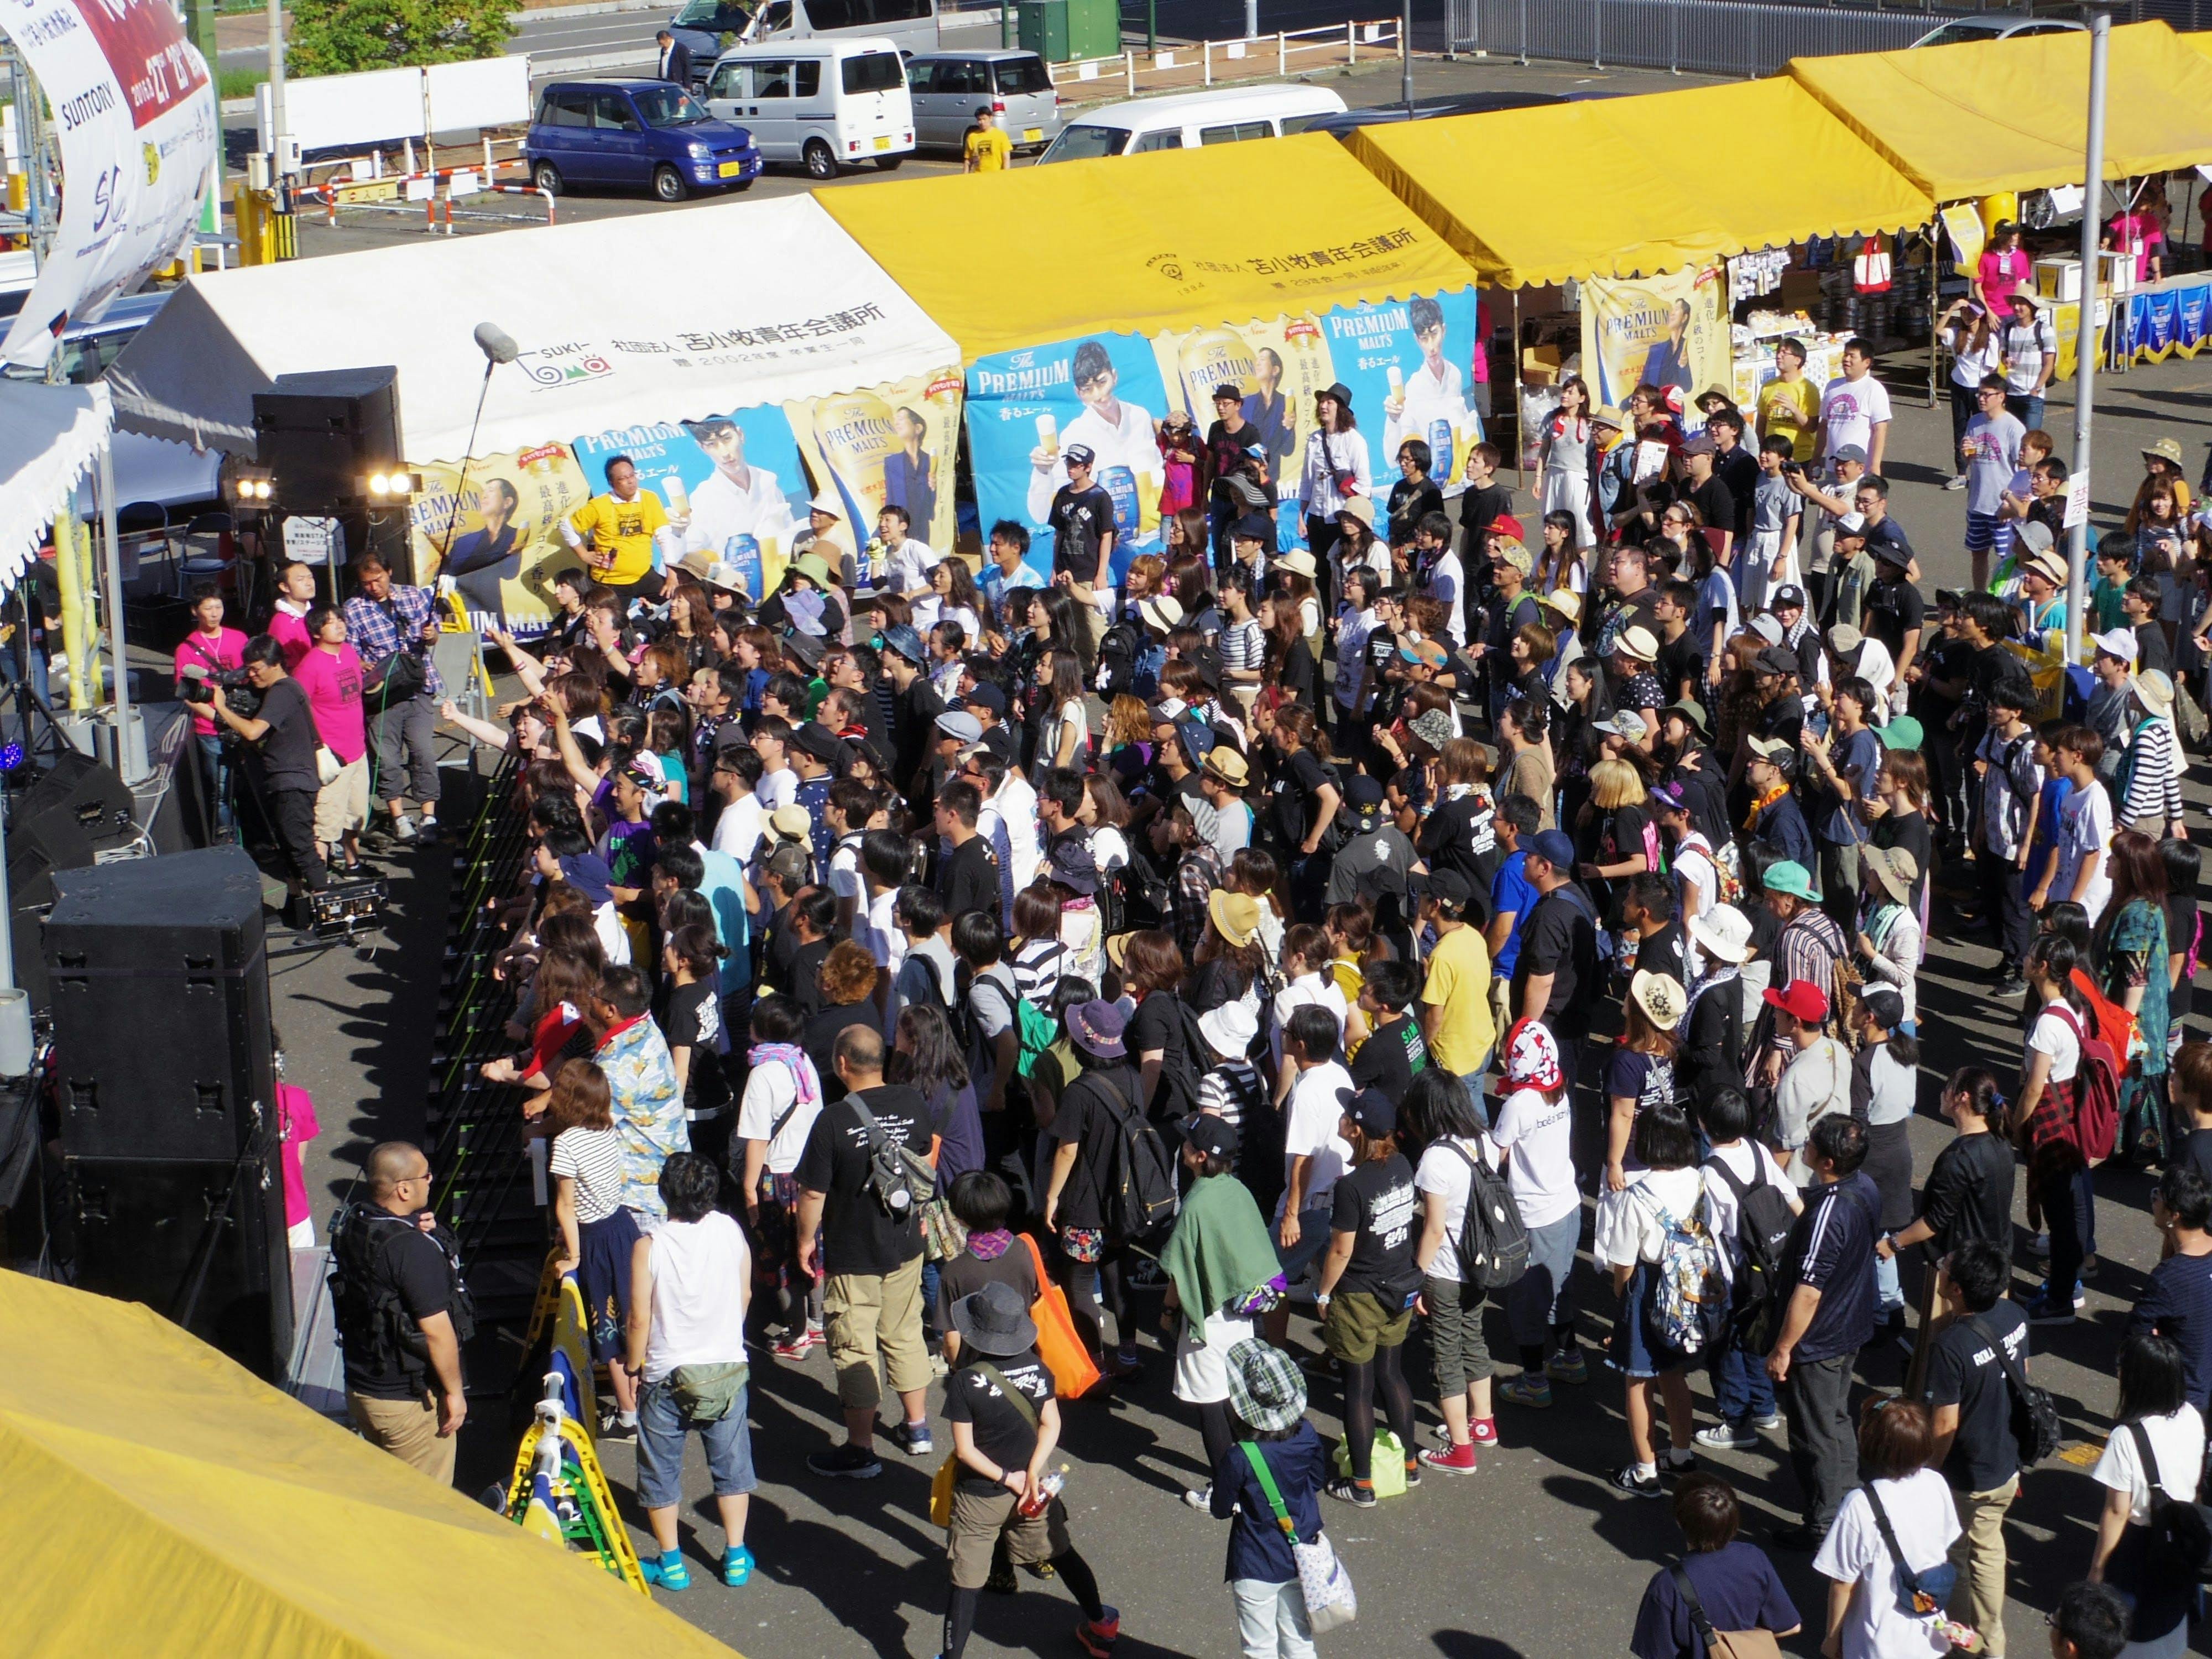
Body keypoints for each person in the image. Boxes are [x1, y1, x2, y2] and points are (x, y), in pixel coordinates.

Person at [939, 1280, 1123, 1659]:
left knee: (966, 1580)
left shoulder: (965, 1382)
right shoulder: (1039, 1368)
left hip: (981, 1494)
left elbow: (966, 1450)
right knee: (1060, 1551)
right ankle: (1100, 1624)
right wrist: (1033, 1473)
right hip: (1035, 1490)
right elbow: (1051, 1425)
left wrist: (1009, 1478)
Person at [795, 1022, 937, 1479]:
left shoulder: (833, 1120)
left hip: (853, 1251)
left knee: (854, 1344)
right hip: (906, 1242)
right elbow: (925, 1156)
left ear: (842, 1064)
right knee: (905, 1331)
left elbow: (813, 1193)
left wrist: (805, 1241)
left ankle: (861, 1449)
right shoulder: (912, 1102)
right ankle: (917, 1428)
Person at [624, 1151, 755, 1590]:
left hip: (667, 1373)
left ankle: (672, 1565)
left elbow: (639, 1318)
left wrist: (633, 1365)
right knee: (731, 1466)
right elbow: (745, 1294)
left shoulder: (650, 1246)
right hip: (726, 1369)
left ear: (665, 1193)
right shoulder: (731, 1230)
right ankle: (735, 1556)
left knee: (660, 1471)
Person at [1771, 1115, 1882, 1549]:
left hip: (1819, 1338)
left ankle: (1823, 1523)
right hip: (1851, 1324)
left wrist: (1784, 1347)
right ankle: (1850, 1499)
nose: (1807, 1143)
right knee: (1836, 1419)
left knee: (1813, 1434)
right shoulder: (1865, 1188)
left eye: (1814, 1141)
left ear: (1828, 1162)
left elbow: (1808, 1291)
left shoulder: (1829, 1212)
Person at [1159, 1114, 1282, 1506]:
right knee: (1236, 1402)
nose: (1182, 1148)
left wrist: (1167, 1312)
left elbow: (1180, 1273)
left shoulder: (1195, 1204)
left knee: (1210, 1404)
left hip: (1209, 1318)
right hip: (1245, 1314)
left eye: (1187, 1143)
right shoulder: (1238, 1190)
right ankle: (1252, 1479)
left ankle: (1226, 1491)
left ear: (1199, 1157)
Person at [328, 1141, 467, 1484]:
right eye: (426, 1175)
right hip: (409, 1403)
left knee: (389, 1490)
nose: (431, 1180)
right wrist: (455, 1392)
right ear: (404, 1189)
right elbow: (437, 1332)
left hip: (363, 1388)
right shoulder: (410, 1250)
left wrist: (414, 1230)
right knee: (428, 1504)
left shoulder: (355, 1223)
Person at [1920, 1240, 2028, 1657]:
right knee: (1989, 1546)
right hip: (2007, 1459)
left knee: (1960, 1555)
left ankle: (1973, 1641)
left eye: (1947, 1267)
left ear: (1957, 1289)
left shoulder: (1951, 1346)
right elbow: (2023, 1374)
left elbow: (1945, 1424)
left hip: (1969, 1476)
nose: (1941, 1268)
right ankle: (1989, 1639)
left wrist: (1928, 1474)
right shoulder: (2015, 1315)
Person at [1594, 1101, 1707, 1497]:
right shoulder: (1697, 1179)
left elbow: (1624, 1263)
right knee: (1673, 1373)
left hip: (1648, 1286)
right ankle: (1681, 1453)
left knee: (1638, 1379)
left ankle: (1645, 1472)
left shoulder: (1637, 1195)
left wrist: (1622, 1298)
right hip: (1687, 1285)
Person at [1316, 1087, 1421, 1507]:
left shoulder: (1352, 1186)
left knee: (1358, 1387)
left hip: (1360, 1294)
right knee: (1392, 1373)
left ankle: (1362, 1484)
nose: (1341, 1119)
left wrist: (1324, 1293)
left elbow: (1341, 1251)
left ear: (1356, 1130)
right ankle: (1409, 1463)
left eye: (1347, 1115)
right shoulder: (1403, 1164)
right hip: (1400, 1285)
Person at [1041, 1000, 1150, 1380]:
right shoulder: (1134, 1078)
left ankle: (1095, 1365)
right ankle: (1130, 1356)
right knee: (1118, 1278)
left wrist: (1051, 1197)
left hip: (1085, 1205)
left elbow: (1067, 1150)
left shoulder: (1079, 1092)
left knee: (1081, 1284)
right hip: (1124, 1200)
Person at [1811, 1396, 1964, 1659]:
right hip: (1929, 1635)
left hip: (1878, 1642)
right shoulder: (1936, 1483)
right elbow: (1947, 1539)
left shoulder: (1860, 1504)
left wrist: (1832, 1639)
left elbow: (1843, 1583)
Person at [2086, 1331, 2203, 1659]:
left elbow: (2117, 1512)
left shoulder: (2127, 1437)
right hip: (2179, 1538)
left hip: (2137, 1549)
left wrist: (2097, 1571)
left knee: (2128, 1635)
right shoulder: (2191, 1415)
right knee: (2168, 1624)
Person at [1212, 1338, 1330, 1659]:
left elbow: (1220, 1509)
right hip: (1301, 1553)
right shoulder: (1307, 1433)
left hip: (1256, 1560)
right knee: (1299, 1640)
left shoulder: (1240, 1456)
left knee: (1259, 1647)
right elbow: (1316, 1480)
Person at [1407, 1070, 1501, 1471]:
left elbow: (1433, 1228)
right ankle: (1483, 1422)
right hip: (1480, 1266)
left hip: (1445, 1270)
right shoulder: (1485, 1142)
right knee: (1473, 1339)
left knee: (1445, 1356)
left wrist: (1416, 1279)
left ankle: (1461, 1449)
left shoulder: (1435, 1158)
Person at [1630, 1474, 1802, 1659]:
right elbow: (1791, 1627)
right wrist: (1741, 1644)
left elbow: (1655, 1652)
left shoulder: (1667, 1585)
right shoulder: (1754, 1557)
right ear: (1733, 1521)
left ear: (1680, 1522)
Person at [206, 634, 328, 897]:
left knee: (302, 848)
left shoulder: (283, 691)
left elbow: (253, 732)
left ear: (275, 664)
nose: (251, 675)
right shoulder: (279, 691)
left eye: (256, 669)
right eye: (248, 669)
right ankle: (295, 907)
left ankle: (328, 907)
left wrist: (222, 708)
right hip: (283, 781)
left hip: (293, 783)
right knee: (286, 847)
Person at [2014, 933, 2094, 1326]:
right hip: (2069, 1120)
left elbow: (2034, 1087)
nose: (2025, 959)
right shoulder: (2072, 1007)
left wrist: (2016, 1125)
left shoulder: (2047, 1022)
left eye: (2030, 954)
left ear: (2042, 967)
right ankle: (2066, 1287)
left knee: (2059, 1216)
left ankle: (2060, 1301)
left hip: (2049, 1127)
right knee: (2068, 1212)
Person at [343, 552, 445, 849]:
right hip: (383, 692)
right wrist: (361, 664)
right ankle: (398, 817)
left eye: (378, 580)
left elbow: (434, 636)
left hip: (417, 685)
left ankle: (429, 816)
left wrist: (431, 635)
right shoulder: (354, 608)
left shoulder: (413, 596)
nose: (374, 587)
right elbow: (351, 650)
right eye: (367, 583)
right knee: (386, 758)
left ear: (389, 571)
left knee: (423, 751)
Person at [2130, 1165, 2212, 1413]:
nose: (2154, 1201)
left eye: (2159, 1195)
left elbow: (2135, 1339)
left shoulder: (2170, 1278)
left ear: (2174, 1215)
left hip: (2183, 1400)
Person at [174, 582, 247, 832]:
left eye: (219, 607)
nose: (215, 613)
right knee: (222, 790)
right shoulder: (186, 650)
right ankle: (228, 836)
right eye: (208, 608)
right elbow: (188, 694)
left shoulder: (239, 638)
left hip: (243, 722)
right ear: (195, 611)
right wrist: (219, 717)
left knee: (247, 784)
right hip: (211, 730)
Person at [962, 105, 1012, 171]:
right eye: (979, 120)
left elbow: (1006, 158)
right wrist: (965, 176)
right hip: (979, 175)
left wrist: (1006, 174)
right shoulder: (972, 137)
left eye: (984, 119)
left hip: (996, 175)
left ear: (991, 118)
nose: (982, 122)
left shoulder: (1001, 135)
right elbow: (968, 161)